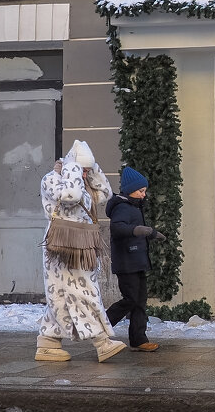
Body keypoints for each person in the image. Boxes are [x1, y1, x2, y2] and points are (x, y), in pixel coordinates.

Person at [35, 140, 127, 363]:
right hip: (62, 247)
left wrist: (92, 168)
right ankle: (101, 341)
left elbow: (105, 194)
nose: (85, 173)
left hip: (80, 245)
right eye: (82, 169)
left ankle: (48, 342)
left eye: (86, 170)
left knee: (61, 294)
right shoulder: (52, 179)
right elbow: (70, 198)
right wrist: (71, 168)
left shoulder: (82, 182)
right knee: (84, 292)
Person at [105, 166, 167, 351]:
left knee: (140, 300)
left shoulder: (134, 206)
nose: (143, 195)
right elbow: (117, 229)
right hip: (126, 263)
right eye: (141, 191)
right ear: (130, 189)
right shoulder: (122, 207)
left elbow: (139, 229)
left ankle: (139, 339)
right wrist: (138, 230)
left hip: (138, 261)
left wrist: (153, 233)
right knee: (130, 299)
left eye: (144, 191)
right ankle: (101, 326)